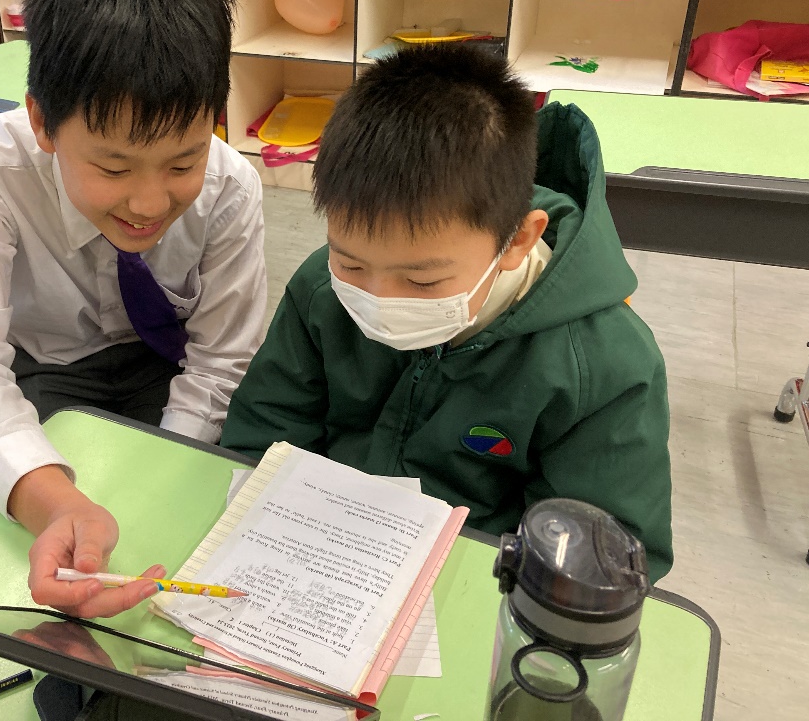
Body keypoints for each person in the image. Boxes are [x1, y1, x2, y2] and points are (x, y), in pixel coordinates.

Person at [0, 0, 266, 616]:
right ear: (42, 122)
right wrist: (53, 500)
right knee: (24, 540)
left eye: (183, 161)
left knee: (190, 520)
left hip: (165, 364)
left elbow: (222, 361)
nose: (149, 203)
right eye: (112, 167)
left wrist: (166, 466)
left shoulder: (229, 189)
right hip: (48, 365)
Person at [221, 44, 674, 581]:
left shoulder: (602, 366)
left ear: (518, 240)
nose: (379, 297)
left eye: (422, 281)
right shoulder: (322, 289)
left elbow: (601, 554)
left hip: (476, 576)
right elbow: (264, 430)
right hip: (318, 551)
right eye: (351, 263)